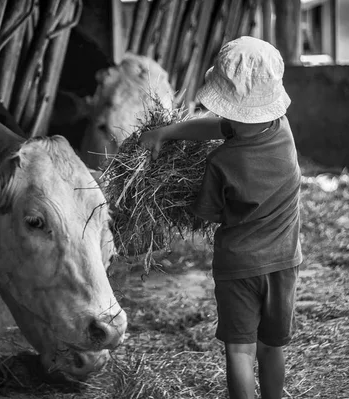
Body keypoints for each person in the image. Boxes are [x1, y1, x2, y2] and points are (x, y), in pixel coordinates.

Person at [139, 36, 303, 399]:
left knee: (239, 350)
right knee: (271, 347)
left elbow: (205, 215)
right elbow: (220, 127)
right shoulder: (283, 130)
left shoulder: (220, 163)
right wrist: (168, 132)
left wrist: (163, 142)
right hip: (283, 264)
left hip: (237, 269)